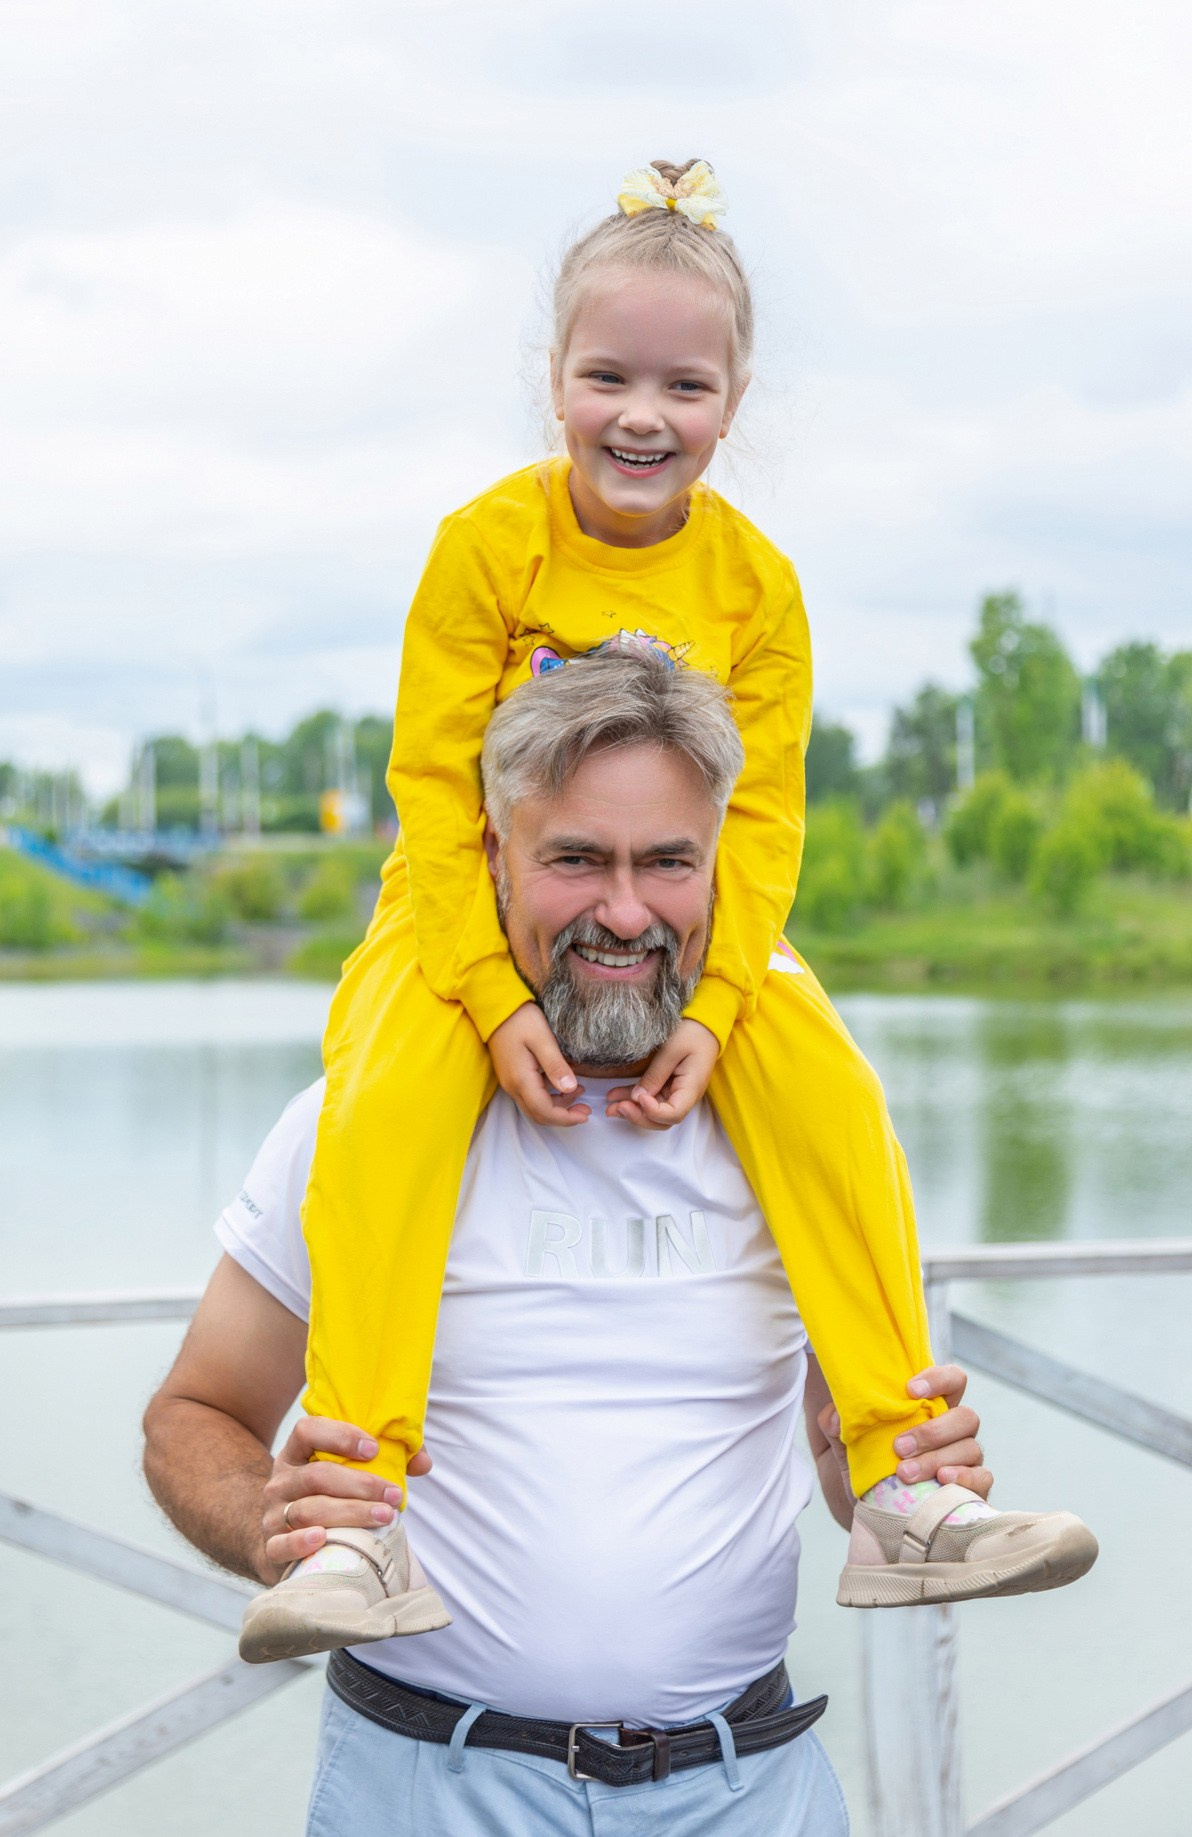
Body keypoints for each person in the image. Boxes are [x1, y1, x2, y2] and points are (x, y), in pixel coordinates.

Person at [251, 158, 1096, 1658]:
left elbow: (760, 823)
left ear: (735, 395)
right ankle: (359, 1513)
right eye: (609, 376)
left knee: (828, 1081)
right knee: (382, 1099)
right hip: (456, 912)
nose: (644, 414)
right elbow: (435, 793)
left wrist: (719, 1010)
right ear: (554, 384)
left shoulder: (758, 586)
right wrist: (493, 998)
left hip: (704, 934)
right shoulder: (484, 548)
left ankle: (904, 1481)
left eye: (684, 384)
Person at [144, 651, 1028, 1835]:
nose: (626, 910)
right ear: (493, 861)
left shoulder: (805, 1127)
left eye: (668, 861)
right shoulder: (362, 1125)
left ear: (725, 865)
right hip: (429, 1784)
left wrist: (887, 1468)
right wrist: (273, 1525)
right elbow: (192, 1413)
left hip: (750, 1785)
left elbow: (839, 1465)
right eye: (576, 859)